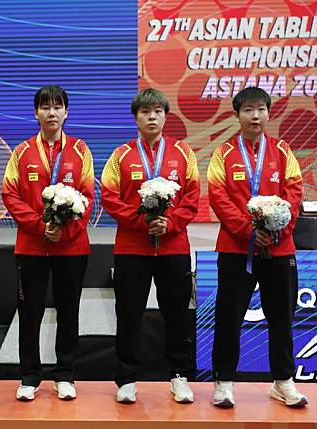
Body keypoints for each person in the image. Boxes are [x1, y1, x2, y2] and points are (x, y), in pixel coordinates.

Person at [207, 86, 306, 408]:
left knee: (282, 318)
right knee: (229, 317)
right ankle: (224, 382)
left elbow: (294, 192)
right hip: (237, 250)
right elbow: (218, 198)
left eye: (261, 109)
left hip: (280, 250)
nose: (255, 115)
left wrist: (278, 229)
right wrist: (248, 230)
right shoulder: (223, 153)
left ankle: (284, 382)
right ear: (237, 115)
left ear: (268, 113)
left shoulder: (282, 151)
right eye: (248, 109)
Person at [101, 88, 199, 404]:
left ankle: (180, 376)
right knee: (129, 314)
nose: (152, 116)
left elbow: (193, 198)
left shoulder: (184, 154)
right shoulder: (120, 156)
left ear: (166, 116)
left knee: (176, 315)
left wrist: (170, 224)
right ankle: (127, 378)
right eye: (145, 112)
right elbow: (110, 198)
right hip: (132, 249)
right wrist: (141, 221)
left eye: (157, 111)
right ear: (136, 118)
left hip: (174, 249)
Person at [2, 84, 94, 401]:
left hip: (72, 248)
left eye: (57, 107)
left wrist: (63, 232)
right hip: (31, 247)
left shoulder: (81, 151)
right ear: (36, 112)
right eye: (45, 107)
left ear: (66, 112)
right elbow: (10, 196)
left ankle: (65, 374)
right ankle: (29, 376)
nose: (51, 112)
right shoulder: (21, 152)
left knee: (69, 311)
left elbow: (88, 198)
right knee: (30, 312)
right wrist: (40, 227)